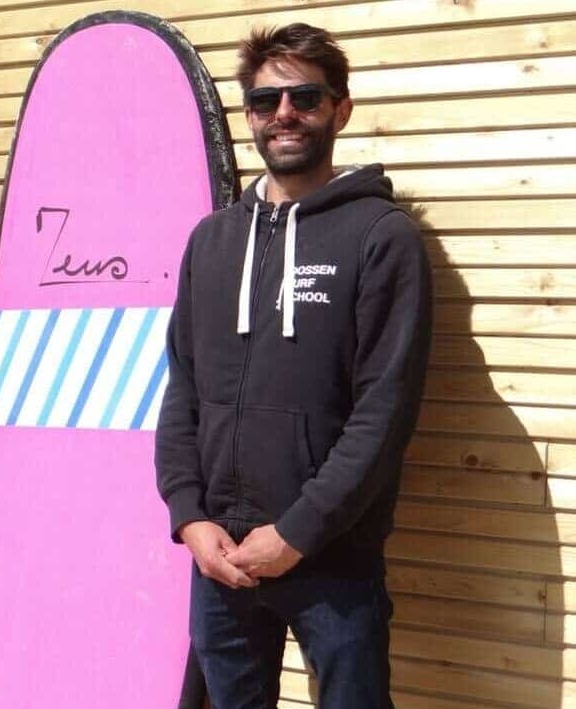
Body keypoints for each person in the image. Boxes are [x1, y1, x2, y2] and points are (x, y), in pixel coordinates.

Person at [156, 23, 432, 708]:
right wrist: (189, 516)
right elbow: (181, 387)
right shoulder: (212, 240)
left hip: (331, 558)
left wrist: (297, 533)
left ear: (339, 109)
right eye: (265, 100)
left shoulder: (380, 237)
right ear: (249, 113)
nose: (284, 114)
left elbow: (383, 412)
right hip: (221, 556)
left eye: (304, 97)